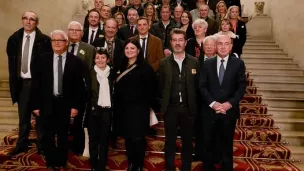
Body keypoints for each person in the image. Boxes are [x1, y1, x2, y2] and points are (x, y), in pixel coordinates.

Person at [31, 30, 85, 171]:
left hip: (66, 104)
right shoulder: (42, 59)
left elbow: (79, 87)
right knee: (47, 134)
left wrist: (75, 106)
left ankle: (62, 161)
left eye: (60, 40)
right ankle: (51, 162)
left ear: (66, 43)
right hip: (47, 103)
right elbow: (36, 84)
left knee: (63, 134)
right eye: (54, 40)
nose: (56, 43)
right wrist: (35, 105)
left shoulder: (76, 61)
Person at [6, 11, 52, 156]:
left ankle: (43, 145)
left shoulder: (44, 40)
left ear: (36, 22)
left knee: (40, 118)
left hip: (38, 84)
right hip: (23, 83)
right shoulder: (14, 39)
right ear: (22, 20)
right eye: (25, 18)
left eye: (32, 19)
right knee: (23, 117)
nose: (28, 21)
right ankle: (22, 143)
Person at [199, 35, 246, 171]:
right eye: (220, 44)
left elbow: (241, 87)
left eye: (227, 44)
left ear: (231, 47)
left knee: (226, 146)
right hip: (210, 112)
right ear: (215, 46)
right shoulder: (207, 64)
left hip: (228, 112)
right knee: (208, 145)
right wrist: (213, 104)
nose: (223, 47)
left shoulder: (238, 64)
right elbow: (202, 86)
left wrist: (228, 104)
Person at [159, 29, 200, 171]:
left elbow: (198, 87)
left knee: (187, 142)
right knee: (169, 141)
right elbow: (160, 86)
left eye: (180, 40)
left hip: (188, 109)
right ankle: (169, 168)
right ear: (170, 42)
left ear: (185, 42)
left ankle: (186, 168)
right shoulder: (164, 63)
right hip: (170, 108)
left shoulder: (195, 62)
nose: (177, 43)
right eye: (174, 40)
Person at [113, 39, 156, 171]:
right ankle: (131, 163)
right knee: (128, 138)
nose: (129, 51)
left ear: (138, 51)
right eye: (127, 48)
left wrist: (146, 105)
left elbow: (152, 89)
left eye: (132, 48)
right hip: (123, 109)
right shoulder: (119, 66)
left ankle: (138, 164)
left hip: (139, 109)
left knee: (138, 138)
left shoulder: (146, 68)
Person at [67, 21, 96, 155]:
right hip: (64, 90)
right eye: (71, 30)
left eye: (77, 30)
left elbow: (91, 71)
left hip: (81, 90)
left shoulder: (90, 49)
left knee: (79, 121)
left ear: (82, 33)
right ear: (67, 31)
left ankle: (78, 146)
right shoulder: (62, 45)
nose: (74, 32)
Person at [87, 49, 114, 171]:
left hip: (107, 111)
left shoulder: (112, 74)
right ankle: (93, 164)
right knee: (93, 139)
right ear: (94, 60)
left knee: (104, 139)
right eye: (97, 58)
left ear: (107, 59)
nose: (100, 60)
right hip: (93, 111)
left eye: (103, 57)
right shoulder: (89, 73)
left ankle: (102, 164)